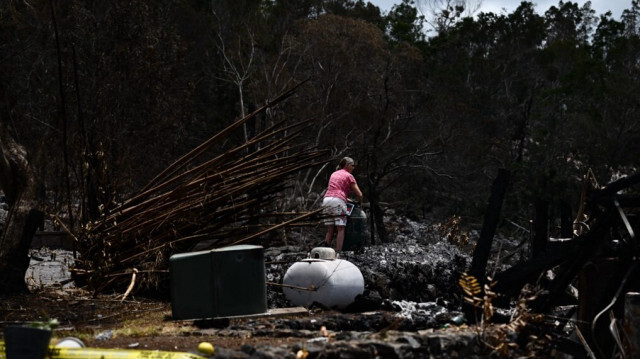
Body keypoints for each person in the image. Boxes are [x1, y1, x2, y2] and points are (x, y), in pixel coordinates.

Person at [322, 157, 363, 251]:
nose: (353, 167)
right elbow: (359, 194)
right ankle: (339, 253)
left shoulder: (334, 174)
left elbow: (335, 190)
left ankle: (325, 251)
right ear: (347, 165)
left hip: (327, 200)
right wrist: (360, 203)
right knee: (341, 228)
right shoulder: (349, 176)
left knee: (330, 229)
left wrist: (346, 199)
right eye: (352, 165)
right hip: (338, 202)